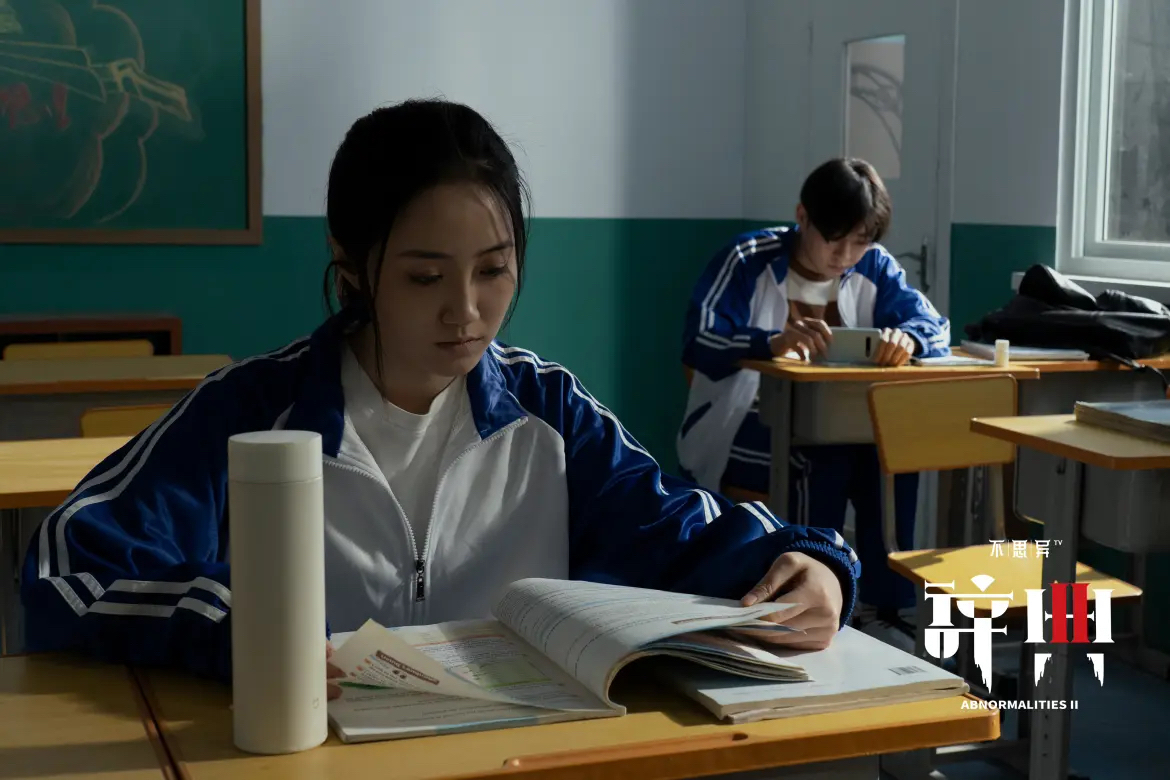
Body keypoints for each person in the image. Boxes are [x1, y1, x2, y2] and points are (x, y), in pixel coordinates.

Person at [22, 100, 860, 689]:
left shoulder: (548, 412)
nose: (466, 312)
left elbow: (679, 529)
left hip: (511, 756)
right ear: (352, 266)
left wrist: (813, 563)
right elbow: (70, 568)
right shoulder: (250, 413)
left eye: (493, 271)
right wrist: (242, 631)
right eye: (425, 277)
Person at [676, 158, 949, 637]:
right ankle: (809, 594)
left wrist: (910, 338)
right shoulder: (749, 258)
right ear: (802, 216)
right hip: (748, 418)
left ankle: (882, 607)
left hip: (846, 424)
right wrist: (770, 342)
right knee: (819, 458)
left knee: (893, 457)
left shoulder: (874, 265)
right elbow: (701, 339)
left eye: (860, 241)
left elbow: (934, 327)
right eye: (834, 239)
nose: (845, 255)